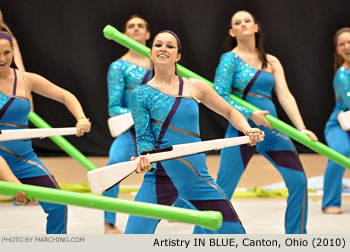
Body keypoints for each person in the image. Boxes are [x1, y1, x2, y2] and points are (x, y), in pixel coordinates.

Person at [125, 30, 264, 234]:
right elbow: (144, 136)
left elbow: (230, 111)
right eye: (158, 45)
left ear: (178, 56)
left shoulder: (195, 87)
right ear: (151, 53)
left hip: (197, 177)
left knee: (235, 235)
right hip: (159, 179)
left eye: (170, 46)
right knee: (132, 240)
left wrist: (247, 129)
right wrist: (145, 157)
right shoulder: (140, 93)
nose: (163, 48)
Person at [213, 10, 318, 234]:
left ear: (255, 27)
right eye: (237, 23)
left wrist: (301, 128)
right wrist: (250, 115)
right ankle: (202, 239)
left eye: (246, 21)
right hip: (242, 132)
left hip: (272, 132)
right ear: (232, 31)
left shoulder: (271, 61)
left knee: (299, 182)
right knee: (222, 191)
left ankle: (297, 238)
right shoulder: (229, 59)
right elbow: (219, 94)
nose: (242, 24)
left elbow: (285, 96)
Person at [0, 27, 91, 234]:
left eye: (7, 52)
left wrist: (81, 118)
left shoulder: (25, 79)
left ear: (14, 51)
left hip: (24, 158)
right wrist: (16, 187)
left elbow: (65, 96)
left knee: (58, 205)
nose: (2, 58)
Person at [102, 15, 152, 234]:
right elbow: (114, 108)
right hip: (131, 131)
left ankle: (184, 212)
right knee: (113, 167)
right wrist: (141, 116)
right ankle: (109, 223)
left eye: (140, 26)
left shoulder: (161, 62)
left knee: (182, 165)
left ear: (148, 34)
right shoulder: (117, 67)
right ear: (124, 34)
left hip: (158, 129)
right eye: (131, 26)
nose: (136, 29)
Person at [322, 27, 350, 215]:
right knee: (341, 152)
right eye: (342, 44)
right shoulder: (342, 75)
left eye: (349, 42)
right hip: (339, 123)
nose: (347, 46)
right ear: (338, 50)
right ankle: (330, 200)